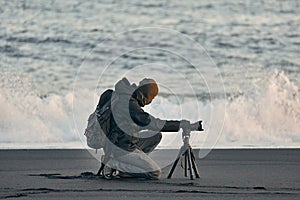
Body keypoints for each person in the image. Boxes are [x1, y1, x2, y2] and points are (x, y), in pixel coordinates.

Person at [103, 77, 201, 180]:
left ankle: (133, 165)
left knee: (155, 135)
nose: (150, 101)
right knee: (154, 173)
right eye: (151, 97)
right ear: (146, 94)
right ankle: (115, 166)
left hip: (123, 141)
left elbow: (128, 125)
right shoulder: (129, 104)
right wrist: (180, 124)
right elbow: (153, 123)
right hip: (120, 148)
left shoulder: (125, 97)